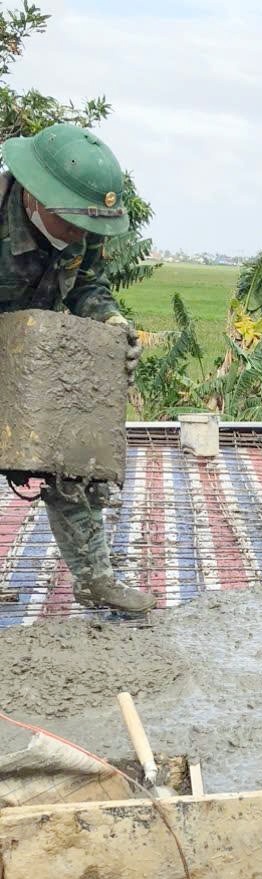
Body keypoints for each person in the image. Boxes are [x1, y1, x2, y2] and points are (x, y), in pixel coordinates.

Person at [0, 123, 153, 613]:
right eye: (72, 224)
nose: (80, 236)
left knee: (72, 453)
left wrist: (111, 321)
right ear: (35, 196)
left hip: (34, 351)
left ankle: (95, 577)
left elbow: (88, 284)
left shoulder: (79, 226)